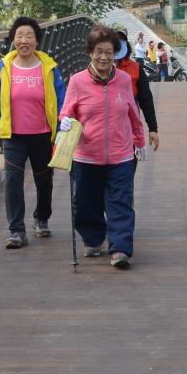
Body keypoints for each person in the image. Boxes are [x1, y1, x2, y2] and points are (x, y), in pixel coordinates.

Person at [59, 25, 147, 269]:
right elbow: (66, 113)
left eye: (109, 52)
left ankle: (119, 249)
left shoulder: (124, 80)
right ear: (90, 52)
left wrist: (139, 142)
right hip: (86, 156)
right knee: (87, 203)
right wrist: (64, 121)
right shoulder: (77, 81)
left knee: (121, 201)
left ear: (115, 54)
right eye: (99, 51)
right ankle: (93, 238)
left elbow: (132, 113)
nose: (104, 57)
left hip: (121, 154)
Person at [0, 16, 66, 249]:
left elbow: (61, 99)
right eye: (19, 36)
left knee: (44, 181)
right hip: (14, 135)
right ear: (13, 40)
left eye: (29, 36)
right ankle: (16, 230)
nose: (24, 40)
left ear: (37, 40)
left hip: (42, 134)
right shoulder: (5, 67)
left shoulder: (48, 67)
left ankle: (42, 217)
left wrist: (61, 128)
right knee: (13, 181)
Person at [113, 31, 160, 153]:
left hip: (128, 134)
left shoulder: (136, 69)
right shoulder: (95, 71)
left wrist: (152, 128)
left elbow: (146, 100)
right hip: (101, 135)